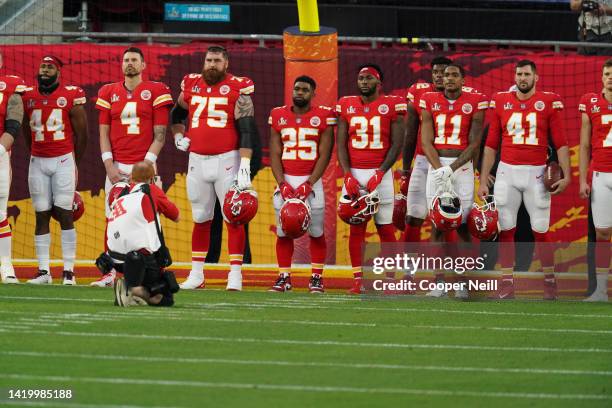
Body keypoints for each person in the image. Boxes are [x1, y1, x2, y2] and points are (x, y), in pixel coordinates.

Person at [479, 60, 571, 300]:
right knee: (506, 229)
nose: (522, 78)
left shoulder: (548, 102)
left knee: (540, 230)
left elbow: (561, 143)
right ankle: (507, 284)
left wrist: (567, 174)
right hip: (506, 172)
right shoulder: (500, 100)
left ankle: (550, 282)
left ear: (536, 77)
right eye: (519, 73)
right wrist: (481, 179)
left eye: (527, 74)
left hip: (537, 173)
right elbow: (490, 145)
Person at [171, 45, 258, 291]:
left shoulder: (237, 87)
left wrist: (244, 164)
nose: (212, 64)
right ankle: (197, 273)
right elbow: (176, 115)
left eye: (217, 60)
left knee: (233, 216)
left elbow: (247, 130)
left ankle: (235, 274)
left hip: (227, 160)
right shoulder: (191, 84)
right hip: (197, 160)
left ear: (226, 63)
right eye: (209, 60)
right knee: (200, 217)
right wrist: (178, 136)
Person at [93, 47, 173, 287]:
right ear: (121, 64)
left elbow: (160, 135)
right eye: (126, 60)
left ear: (143, 65)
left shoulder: (156, 90)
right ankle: (110, 273)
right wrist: (108, 164)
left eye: (134, 60)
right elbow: (103, 132)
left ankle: (154, 272)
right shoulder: (108, 91)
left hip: (145, 166)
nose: (129, 63)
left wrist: (145, 166)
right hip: (117, 165)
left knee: (149, 222)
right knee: (113, 220)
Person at [336, 64, 406, 294]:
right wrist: (347, 174)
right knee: (356, 227)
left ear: (379, 82)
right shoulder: (347, 104)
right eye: (360, 78)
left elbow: (397, 144)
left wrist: (381, 171)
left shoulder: (392, 105)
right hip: (355, 173)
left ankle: (390, 279)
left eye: (368, 78)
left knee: (385, 227)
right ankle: (358, 280)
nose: (363, 82)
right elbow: (341, 143)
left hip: (381, 174)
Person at [420, 63, 488, 298]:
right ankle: (438, 282)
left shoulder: (476, 101)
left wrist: (452, 168)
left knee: (463, 226)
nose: (448, 78)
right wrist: (440, 169)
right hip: (437, 166)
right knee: (437, 225)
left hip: (462, 168)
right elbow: (426, 141)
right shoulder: (429, 99)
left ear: (463, 80)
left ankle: (462, 282)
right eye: (446, 75)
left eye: (454, 75)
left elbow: (474, 143)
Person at [21, 56, 88, 286]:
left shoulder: (70, 95)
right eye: (43, 66)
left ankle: (69, 271)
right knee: (41, 214)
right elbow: (25, 130)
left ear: (58, 71)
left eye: (50, 67)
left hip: (63, 160)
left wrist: (72, 161)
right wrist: (36, 153)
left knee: (65, 214)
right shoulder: (27, 95)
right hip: (38, 160)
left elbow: (83, 135)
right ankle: (43, 271)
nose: (46, 69)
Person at [268, 75, 335, 292]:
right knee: (283, 230)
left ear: (313, 94)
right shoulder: (278, 114)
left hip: (310, 181)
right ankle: (284, 276)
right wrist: (282, 182)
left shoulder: (323, 116)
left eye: (305, 90)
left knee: (316, 231)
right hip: (286, 180)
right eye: (297, 89)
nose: (299, 92)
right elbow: (275, 152)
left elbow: (325, 154)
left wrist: (310, 183)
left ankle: (316, 277)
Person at [105, 161, 180, 306]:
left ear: (131, 176)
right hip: (141, 258)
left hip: (116, 260)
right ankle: (134, 290)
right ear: (152, 179)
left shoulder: (119, 192)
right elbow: (176, 216)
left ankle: (131, 285)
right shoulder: (152, 190)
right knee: (165, 298)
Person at [401, 56, 453, 243]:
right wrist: (406, 170)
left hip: (451, 162)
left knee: (445, 219)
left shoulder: (466, 97)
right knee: (413, 215)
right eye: (435, 72)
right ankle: (409, 270)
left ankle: (442, 270)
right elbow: (410, 134)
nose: (439, 77)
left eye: (444, 73)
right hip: (423, 161)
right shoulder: (419, 93)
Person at [579, 59, 612, 302]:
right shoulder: (590, 101)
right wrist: (583, 179)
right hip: (600, 174)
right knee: (601, 233)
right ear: (601, 77)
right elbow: (584, 144)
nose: (610, 77)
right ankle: (600, 290)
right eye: (607, 74)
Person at [0, 52, 25, 284]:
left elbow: (14, 123)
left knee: (0, 212)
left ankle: (6, 265)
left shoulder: (10, 85)